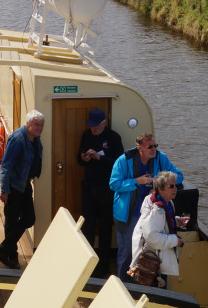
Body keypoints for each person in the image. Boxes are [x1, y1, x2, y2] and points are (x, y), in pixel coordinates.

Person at [110, 132, 182, 278]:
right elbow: (114, 184)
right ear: (139, 147)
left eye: (155, 145)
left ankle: (147, 287)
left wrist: (157, 184)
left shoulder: (161, 158)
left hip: (151, 213)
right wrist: (137, 181)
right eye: (149, 146)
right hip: (129, 214)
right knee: (127, 253)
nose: (153, 149)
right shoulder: (124, 160)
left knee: (154, 251)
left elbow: (178, 176)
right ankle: (124, 287)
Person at [0, 110, 44, 270]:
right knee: (11, 221)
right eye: (36, 124)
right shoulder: (18, 139)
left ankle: (4, 251)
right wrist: (4, 190)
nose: (39, 128)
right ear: (28, 124)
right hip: (14, 187)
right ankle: (10, 256)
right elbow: (6, 166)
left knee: (29, 218)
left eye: (41, 125)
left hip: (24, 184)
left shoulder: (35, 138)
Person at [77, 109, 123, 277]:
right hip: (89, 188)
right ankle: (86, 263)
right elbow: (78, 158)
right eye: (91, 126)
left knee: (105, 228)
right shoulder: (86, 135)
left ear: (104, 123)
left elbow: (119, 164)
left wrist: (99, 158)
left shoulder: (114, 138)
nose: (93, 129)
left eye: (96, 126)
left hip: (107, 190)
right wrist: (84, 158)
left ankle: (103, 266)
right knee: (87, 227)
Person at [128, 171, 188, 288]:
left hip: (157, 257)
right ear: (160, 189)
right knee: (154, 293)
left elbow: (160, 223)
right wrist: (175, 240)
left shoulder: (167, 202)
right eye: (171, 186)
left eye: (175, 185)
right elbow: (152, 237)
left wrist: (176, 221)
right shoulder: (157, 209)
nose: (175, 189)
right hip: (152, 260)